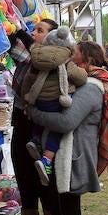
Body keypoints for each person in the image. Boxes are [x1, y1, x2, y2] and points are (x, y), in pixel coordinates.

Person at [29, 41, 108, 215]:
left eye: (74, 55)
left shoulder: (92, 87)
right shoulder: (80, 85)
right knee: (61, 213)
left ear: (87, 61)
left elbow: (67, 121)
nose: (69, 59)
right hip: (66, 159)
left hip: (73, 161)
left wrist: (34, 114)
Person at [8, 20, 61, 215]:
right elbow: (11, 49)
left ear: (52, 38)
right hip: (21, 130)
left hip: (45, 133)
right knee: (27, 191)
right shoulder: (25, 61)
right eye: (34, 29)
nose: (33, 33)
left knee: (49, 192)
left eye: (40, 31)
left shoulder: (54, 62)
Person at [21, 26, 87, 185]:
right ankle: (47, 159)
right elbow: (81, 78)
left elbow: (27, 80)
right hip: (56, 102)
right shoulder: (65, 60)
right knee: (56, 129)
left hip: (39, 99)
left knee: (41, 120)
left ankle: (35, 139)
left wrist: (26, 99)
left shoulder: (36, 58)